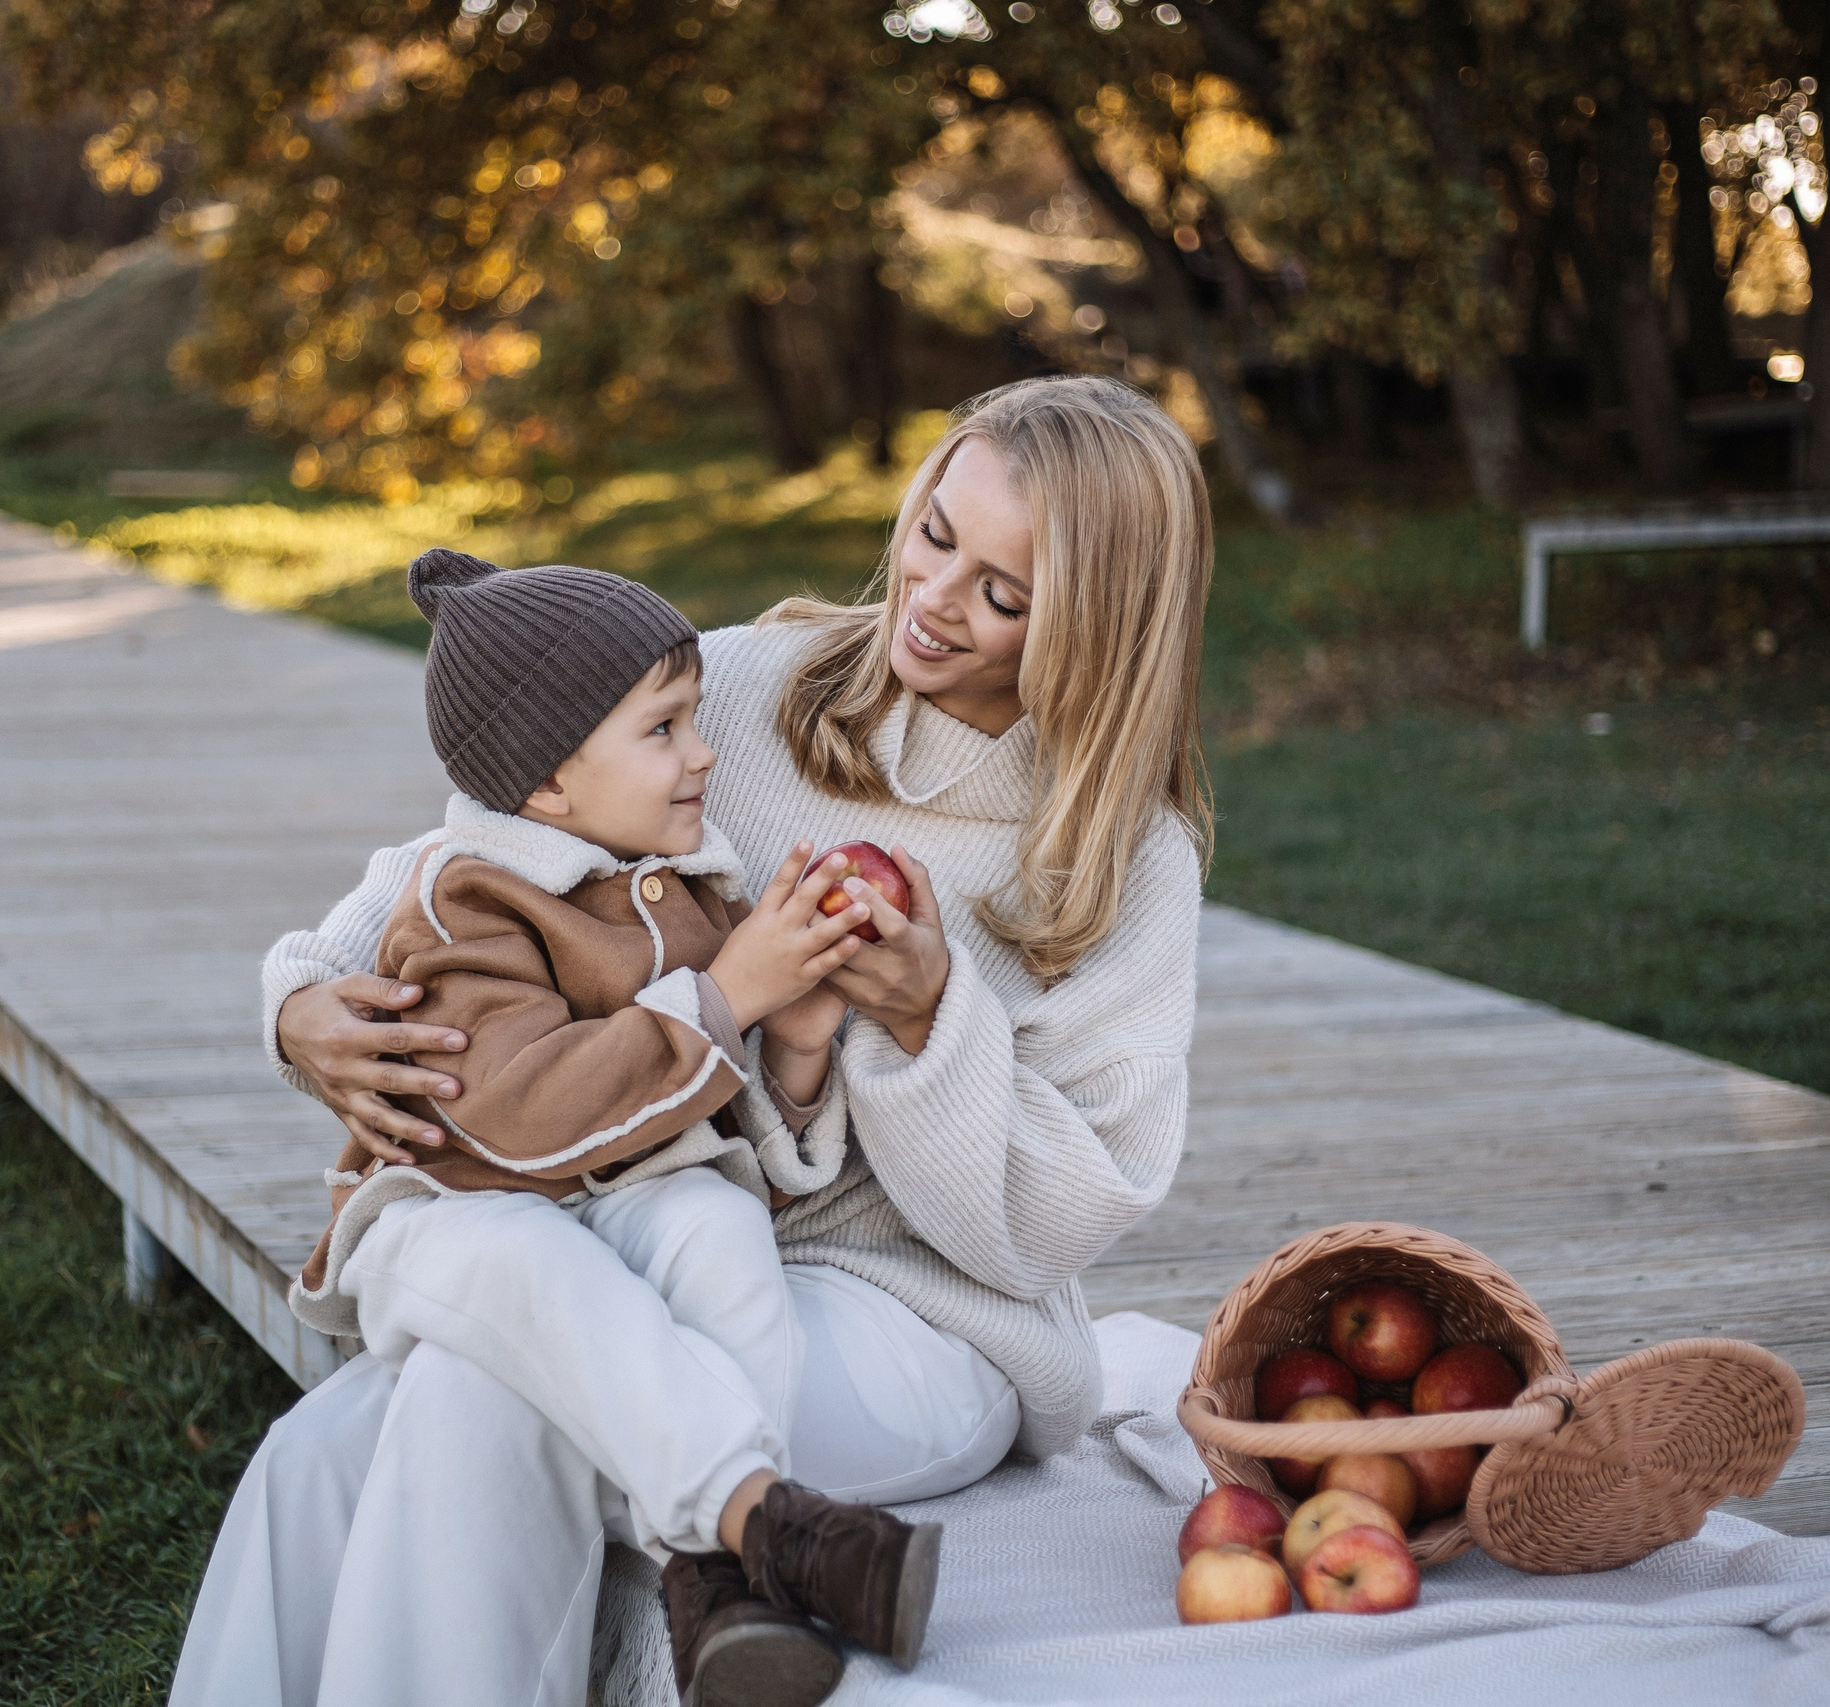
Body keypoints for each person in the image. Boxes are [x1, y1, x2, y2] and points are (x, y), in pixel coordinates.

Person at [173, 375, 1213, 1707]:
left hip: (919, 1314)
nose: (936, 597)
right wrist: (303, 996)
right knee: (320, 1452)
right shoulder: (738, 685)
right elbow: (488, 837)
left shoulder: (1125, 861)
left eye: (1004, 593)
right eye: (935, 532)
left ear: (1098, 626)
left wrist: (922, 1020)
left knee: (488, 1409)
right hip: (634, 1229)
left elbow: (1053, 1225)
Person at [282, 547, 938, 1703]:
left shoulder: (680, 885)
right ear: (546, 784)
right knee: (536, 1261)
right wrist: (722, 997)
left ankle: (716, 1593)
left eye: (696, 719)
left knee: (717, 1227)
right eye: (664, 728)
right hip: (451, 1216)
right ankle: (755, 1526)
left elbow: (709, 1121)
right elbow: (527, 1113)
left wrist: (792, 1043)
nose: (704, 753)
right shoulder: (467, 897)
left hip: (614, 1201)